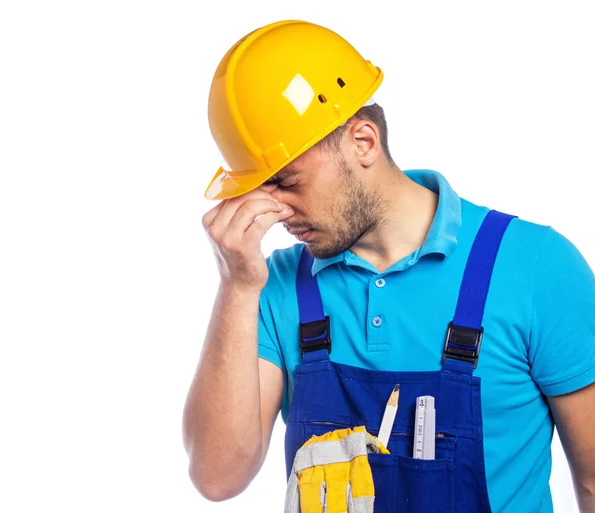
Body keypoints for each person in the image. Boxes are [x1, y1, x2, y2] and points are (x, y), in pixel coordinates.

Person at [182, 19, 595, 513]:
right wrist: (237, 285)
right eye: (261, 192)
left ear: (362, 142)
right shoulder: (274, 289)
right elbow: (217, 476)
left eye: (288, 182)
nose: (276, 213)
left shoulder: (535, 267)